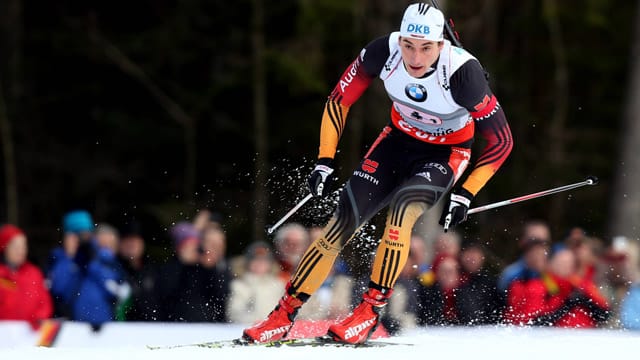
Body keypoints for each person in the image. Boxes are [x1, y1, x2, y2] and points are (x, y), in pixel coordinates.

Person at [242, 3, 513, 344]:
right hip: (396, 143)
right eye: (409, 45)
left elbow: (501, 141)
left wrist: (467, 191)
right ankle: (282, 316)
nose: (415, 56)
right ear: (400, 39)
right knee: (340, 222)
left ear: (441, 45)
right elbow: (338, 100)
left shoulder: (462, 73)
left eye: (426, 47)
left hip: (446, 154)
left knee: (400, 214)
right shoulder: (382, 50)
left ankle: (368, 313)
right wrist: (324, 160)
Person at [73, 223, 131, 330]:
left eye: (111, 244)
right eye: (103, 245)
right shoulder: (86, 261)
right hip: (90, 322)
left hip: (101, 322)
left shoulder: (117, 267)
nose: (107, 249)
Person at [0, 224, 53, 329]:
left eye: (23, 246)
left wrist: (40, 317)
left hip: (30, 336)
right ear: (5, 247)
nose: (21, 251)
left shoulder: (34, 273)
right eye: (16, 247)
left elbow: (45, 302)